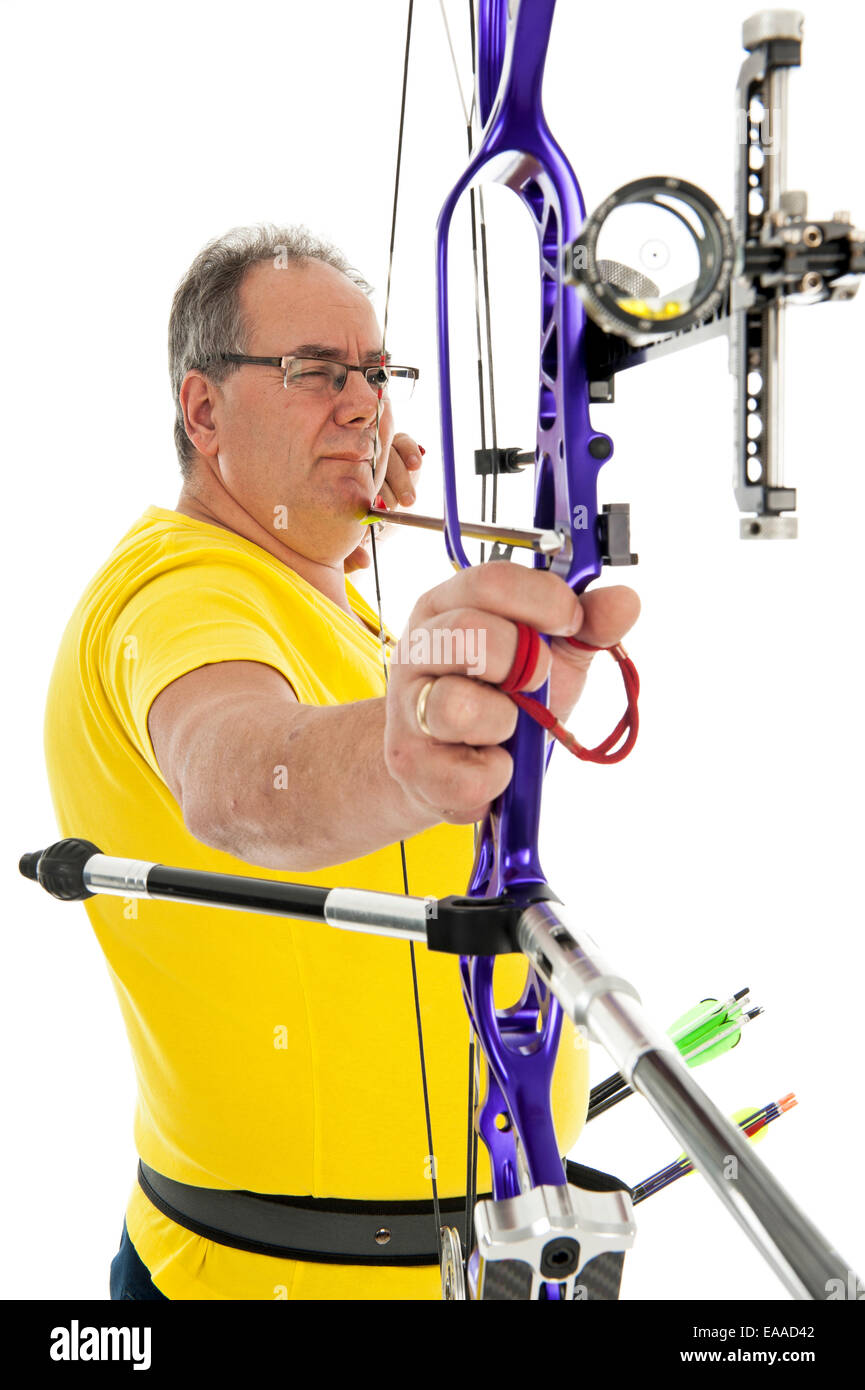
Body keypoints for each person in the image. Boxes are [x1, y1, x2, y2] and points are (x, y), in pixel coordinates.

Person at [43, 224, 640, 1300]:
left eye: (375, 374)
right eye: (315, 372)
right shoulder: (179, 593)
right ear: (204, 410)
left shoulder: (320, 596)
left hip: (483, 1254)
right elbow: (238, 776)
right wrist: (403, 748)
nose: (364, 402)